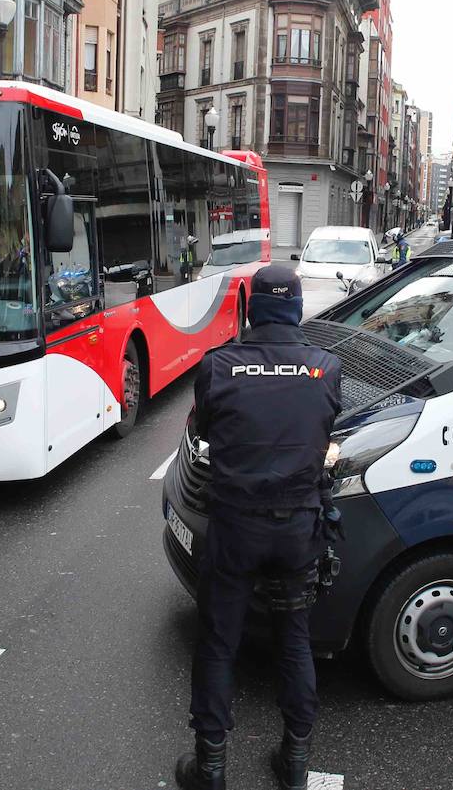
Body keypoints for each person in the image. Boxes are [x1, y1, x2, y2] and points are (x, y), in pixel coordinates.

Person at [176, 264, 343, 790]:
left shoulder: (218, 366)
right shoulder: (326, 367)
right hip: (297, 529)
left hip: (235, 528)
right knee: (294, 637)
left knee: (220, 641)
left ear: (251, 309)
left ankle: (211, 768)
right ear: (296, 309)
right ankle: (294, 762)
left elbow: (204, 431)